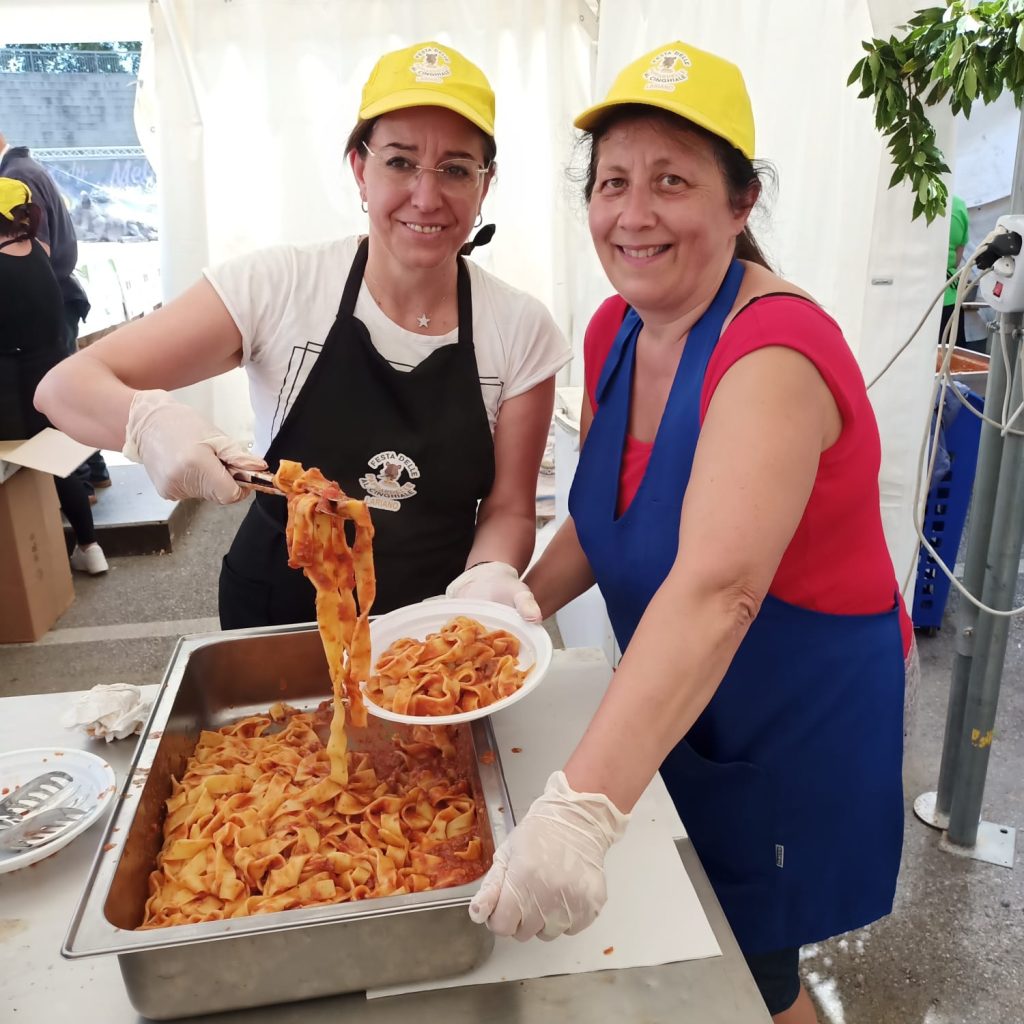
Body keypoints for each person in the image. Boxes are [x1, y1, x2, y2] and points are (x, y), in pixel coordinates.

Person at [465, 42, 909, 1024]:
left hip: (784, 724)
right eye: (613, 181)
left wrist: (580, 806)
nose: (634, 212)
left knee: (752, 974)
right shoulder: (617, 330)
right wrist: (514, 603)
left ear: (740, 201)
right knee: (698, 942)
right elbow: (606, 516)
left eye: (672, 180)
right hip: (683, 699)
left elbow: (719, 589)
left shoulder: (774, 354)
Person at [36, 41, 569, 623]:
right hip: (278, 611)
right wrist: (148, 423)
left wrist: (488, 575)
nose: (427, 194)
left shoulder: (519, 327)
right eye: (399, 161)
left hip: (437, 624)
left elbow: (510, 509)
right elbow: (64, 388)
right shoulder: (280, 284)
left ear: (485, 185)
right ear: (360, 169)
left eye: (456, 169)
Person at [0, 178, 107, 574]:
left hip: (11, 391)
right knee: (60, 462)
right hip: (51, 377)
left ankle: (25, 565)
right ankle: (90, 547)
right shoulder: (39, 251)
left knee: (22, 467)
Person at [0, 131, 111, 494]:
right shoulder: (25, 167)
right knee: (63, 397)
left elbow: (35, 248)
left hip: (45, 303)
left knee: (54, 404)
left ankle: (80, 483)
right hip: (52, 299)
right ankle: (89, 476)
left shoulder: (14, 178)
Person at [939, 193, 969, 347]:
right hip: (949, 296)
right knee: (948, 359)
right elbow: (957, 259)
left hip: (915, 297)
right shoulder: (958, 205)